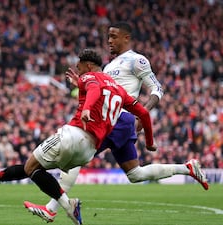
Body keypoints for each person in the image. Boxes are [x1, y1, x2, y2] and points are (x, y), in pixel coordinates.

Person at [23, 21, 209, 223]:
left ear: (126, 38)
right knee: (135, 174)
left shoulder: (137, 60)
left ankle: (53, 209)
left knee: (76, 156)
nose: (109, 41)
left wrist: (142, 114)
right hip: (112, 120)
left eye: (114, 36)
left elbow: (157, 89)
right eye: (108, 37)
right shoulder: (109, 65)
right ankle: (187, 168)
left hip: (118, 119)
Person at [0, 49, 156, 225]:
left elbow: (93, 88)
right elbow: (144, 115)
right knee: (33, 168)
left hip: (74, 134)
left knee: (30, 167)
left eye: (79, 68)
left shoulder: (89, 77)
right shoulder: (118, 89)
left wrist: (86, 108)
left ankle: (67, 206)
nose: (78, 71)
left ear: (88, 65)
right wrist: (149, 142)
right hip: (89, 151)